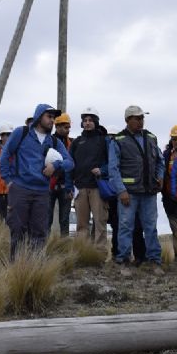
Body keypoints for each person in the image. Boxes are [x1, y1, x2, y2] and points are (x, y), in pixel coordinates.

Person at [0, 104, 74, 259]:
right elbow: (5, 155)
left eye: (54, 118)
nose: (52, 121)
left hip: (42, 192)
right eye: (49, 117)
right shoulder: (22, 133)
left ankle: (35, 269)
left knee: (39, 232)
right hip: (20, 189)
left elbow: (70, 163)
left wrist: (55, 165)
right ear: (39, 116)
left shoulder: (54, 142)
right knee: (18, 229)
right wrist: (8, 181)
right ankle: (16, 268)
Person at [108, 105, 165, 276]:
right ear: (127, 120)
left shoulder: (151, 137)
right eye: (137, 118)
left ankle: (154, 261)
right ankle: (124, 261)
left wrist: (160, 176)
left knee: (151, 227)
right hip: (129, 193)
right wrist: (121, 191)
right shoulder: (118, 140)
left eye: (142, 118)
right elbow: (113, 169)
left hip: (149, 192)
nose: (141, 121)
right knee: (126, 227)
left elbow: (160, 161)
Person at [69, 107, 110, 251]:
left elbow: (112, 162)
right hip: (80, 188)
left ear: (96, 122)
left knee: (100, 222)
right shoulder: (76, 142)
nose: (87, 123)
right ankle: (82, 253)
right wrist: (70, 185)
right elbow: (70, 165)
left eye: (90, 120)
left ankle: (100, 254)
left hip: (98, 187)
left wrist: (102, 170)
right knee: (81, 225)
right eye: (85, 120)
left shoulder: (104, 140)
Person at [162, 124, 177, 261]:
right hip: (169, 198)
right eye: (174, 139)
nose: (176, 142)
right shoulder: (166, 155)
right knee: (175, 227)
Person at [49, 113, 73, 236]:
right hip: (49, 185)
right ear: (57, 127)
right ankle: (45, 245)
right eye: (65, 127)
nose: (67, 130)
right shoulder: (49, 141)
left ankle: (64, 247)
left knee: (64, 219)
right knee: (47, 218)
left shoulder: (72, 143)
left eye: (68, 127)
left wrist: (71, 187)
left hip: (66, 187)